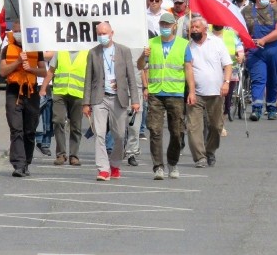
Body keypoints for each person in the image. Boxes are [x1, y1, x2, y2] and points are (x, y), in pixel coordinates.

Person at [137, 12, 195, 180]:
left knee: (176, 132)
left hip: (175, 93)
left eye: (168, 25)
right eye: (162, 24)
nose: (164, 28)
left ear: (174, 26)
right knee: (155, 130)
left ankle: (173, 162)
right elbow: (141, 65)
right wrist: (143, 55)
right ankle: (158, 167)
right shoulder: (151, 43)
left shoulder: (183, 44)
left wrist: (191, 91)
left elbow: (189, 68)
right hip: (156, 92)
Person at [83, 22, 140, 181]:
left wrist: (135, 100)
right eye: (99, 33)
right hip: (99, 98)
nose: (102, 36)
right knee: (99, 134)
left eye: (104, 33)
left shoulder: (124, 51)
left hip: (118, 98)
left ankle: (115, 164)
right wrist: (86, 103)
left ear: (112, 33)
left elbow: (131, 78)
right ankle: (103, 169)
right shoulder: (93, 53)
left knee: (120, 135)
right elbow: (88, 79)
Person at [0, 21, 47, 177]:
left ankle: (26, 162)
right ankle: (18, 165)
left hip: (31, 92)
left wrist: (30, 68)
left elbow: (43, 72)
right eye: (15, 31)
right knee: (16, 129)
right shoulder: (7, 49)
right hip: (14, 92)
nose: (17, 33)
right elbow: (2, 71)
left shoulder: (35, 50)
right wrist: (18, 62)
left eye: (20, 31)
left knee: (29, 130)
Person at [186, 17, 232, 168]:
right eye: (192, 27)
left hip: (216, 92)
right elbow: (188, 70)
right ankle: (199, 157)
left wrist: (226, 83)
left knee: (216, 126)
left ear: (205, 29)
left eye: (197, 27)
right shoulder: (188, 46)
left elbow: (228, 65)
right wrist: (191, 92)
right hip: (196, 93)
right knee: (194, 127)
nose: (194, 29)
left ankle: (210, 151)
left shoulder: (217, 42)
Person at [241, 0, 277, 121]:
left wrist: (264, 40)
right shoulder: (246, 11)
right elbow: (241, 29)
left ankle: (272, 108)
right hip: (255, 51)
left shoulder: (276, 10)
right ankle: (256, 109)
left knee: (273, 79)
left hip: (273, 49)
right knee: (258, 79)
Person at [40, 49, 89, 166]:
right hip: (60, 92)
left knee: (76, 126)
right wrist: (43, 88)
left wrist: (89, 98)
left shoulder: (86, 53)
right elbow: (51, 71)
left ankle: (74, 156)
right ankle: (61, 154)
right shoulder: (60, 52)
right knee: (58, 121)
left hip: (78, 93)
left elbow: (90, 76)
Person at [214, 23, 244, 135]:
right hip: (212, 73)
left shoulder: (231, 35)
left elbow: (240, 47)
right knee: (213, 99)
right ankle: (212, 124)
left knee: (226, 100)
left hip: (230, 73)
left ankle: (221, 125)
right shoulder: (207, 34)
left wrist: (241, 55)